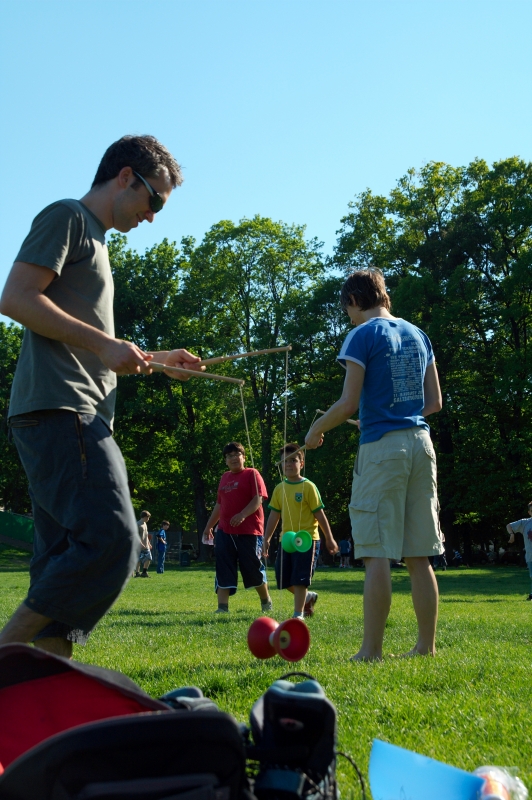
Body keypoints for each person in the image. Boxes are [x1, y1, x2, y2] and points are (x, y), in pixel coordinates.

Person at [0, 135, 204, 657]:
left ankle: (39, 691)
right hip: (63, 410)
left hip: (62, 412)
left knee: (61, 560)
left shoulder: (99, 242)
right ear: (125, 176)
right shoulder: (67, 216)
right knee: (114, 540)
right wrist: (106, 345)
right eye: (154, 200)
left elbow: (95, 345)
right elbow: (16, 297)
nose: (152, 216)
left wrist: (158, 359)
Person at [305, 268, 443, 661]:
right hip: (421, 445)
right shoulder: (418, 334)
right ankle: (425, 647)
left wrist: (315, 430)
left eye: (346, 309)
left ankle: (371, 651)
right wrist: (389, 414)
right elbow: (433, 402)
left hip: (383, 450)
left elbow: (348, 403)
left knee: (376, 551)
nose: (348, 317)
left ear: (353, 300)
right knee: (419, 554)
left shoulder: (362, 334)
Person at [263, 444, 338, 619]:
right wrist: (266, 538)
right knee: (282, 578)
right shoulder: (279, 488)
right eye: (285, 461)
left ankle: (298, 614)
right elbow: (274, 516)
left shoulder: (308, 487)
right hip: (286, 541)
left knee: (300, 578)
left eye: (293, 460)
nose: (288, 464)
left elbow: (320, 514)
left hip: (307, 540)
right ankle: (308, 596)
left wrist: (329, 538)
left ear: (301, 463)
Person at [203, 442, 273, 614]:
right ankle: (222, 608)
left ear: (244, 457)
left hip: (249, 531)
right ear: (225, 460)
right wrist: (209, 526)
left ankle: (266, 601)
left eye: (237, 454)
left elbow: (258, 499)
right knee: (223, 567)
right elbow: (219, 504)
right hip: (224, 531)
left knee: (252, 567)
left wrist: (242, 514)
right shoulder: (225, 477)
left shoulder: (252, 474)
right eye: (229, 456)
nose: (233, 458)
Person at [506, 501, 532, 600]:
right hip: (530, 555)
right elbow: (509, 526)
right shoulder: (525, 523)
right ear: (529, 512)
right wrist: (512, 534)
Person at [134, 510, 152, 578]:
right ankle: (137, 573)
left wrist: (149, 543)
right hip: (138, 546)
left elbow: (146, 535)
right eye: (148, 517)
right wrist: (140, 543)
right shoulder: (137, 524)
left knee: (149, 558)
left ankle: (144, 572)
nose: (148, 519)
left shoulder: (145, 524)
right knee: (138, 560)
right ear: (144, 517)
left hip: (146, 545)